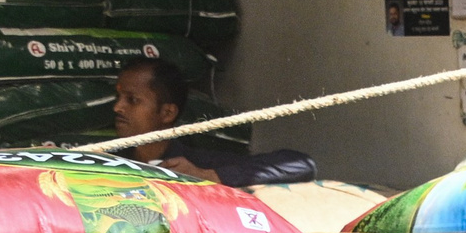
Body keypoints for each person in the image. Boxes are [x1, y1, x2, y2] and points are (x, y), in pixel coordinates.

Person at [111, 57, 316, 189]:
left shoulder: (196, 164)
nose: (118, 107)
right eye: (118, 97)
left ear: (167, 113)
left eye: (132, 100)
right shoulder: (109, 160)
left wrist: (209, 175)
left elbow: (301, 164)